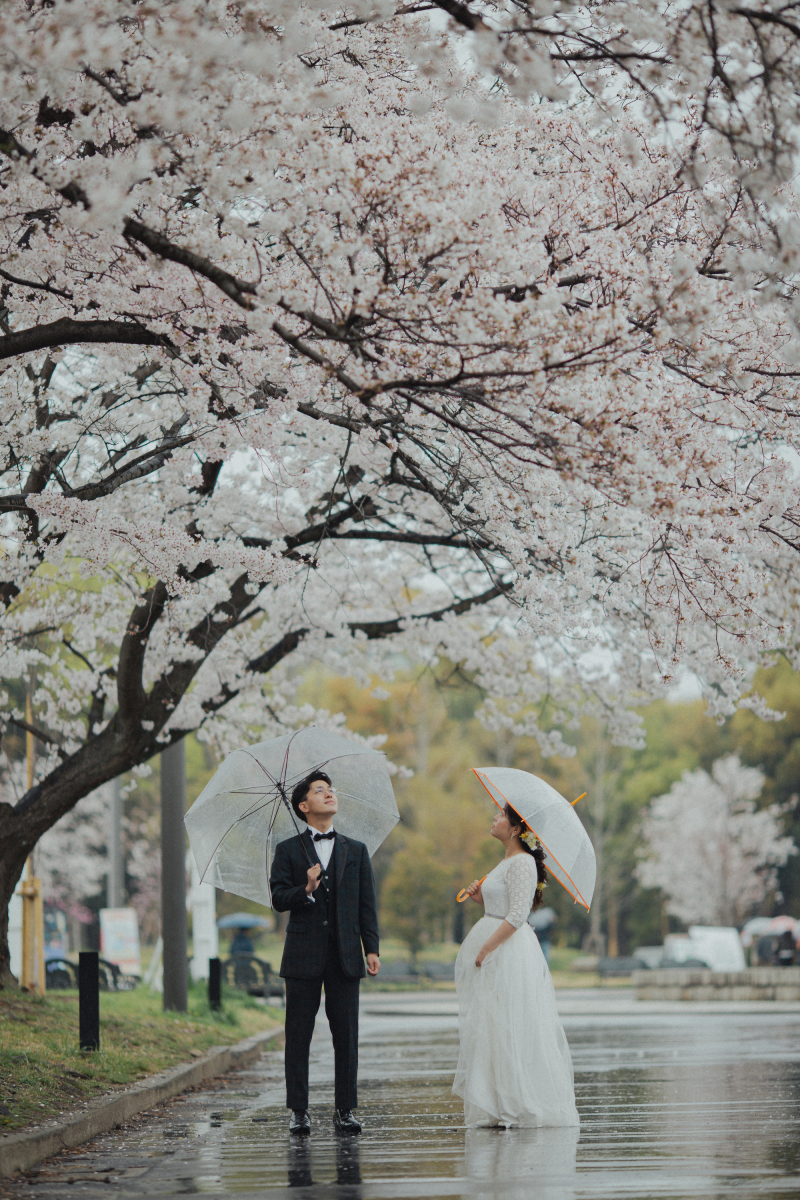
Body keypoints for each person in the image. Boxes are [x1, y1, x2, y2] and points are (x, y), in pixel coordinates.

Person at [269, 770, 381, 1138]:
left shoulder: (356, 849)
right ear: (304, 806)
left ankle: (344, 1109)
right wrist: (307, 887)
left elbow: (367, 904)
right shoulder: (287, 850)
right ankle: (298, 1111)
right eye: (320, 791)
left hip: (347, 954)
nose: (329, 794)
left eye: (331, 789)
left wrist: (372, 948)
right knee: (298, 1034)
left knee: (346, 1035)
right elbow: (278, 899)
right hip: (302, 954)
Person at [453, 803, 579, 1129]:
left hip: (508, 953)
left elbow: (518, 914)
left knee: (511, 1022)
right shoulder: (507, 860)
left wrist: (486, 950)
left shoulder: (523, 863)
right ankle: (495, 1101)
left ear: (514, 829)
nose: (493, 818)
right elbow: (502, 905)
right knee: (492, 1024)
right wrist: (482, 898)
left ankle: (518, 1102)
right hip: (495, 946)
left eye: (499, 816)